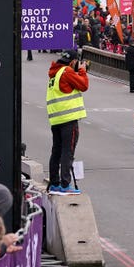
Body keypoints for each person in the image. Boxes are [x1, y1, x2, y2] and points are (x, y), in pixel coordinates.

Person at [46, 50, 89, 195]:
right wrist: (82, 70)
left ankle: (54, 183)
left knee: (56, 151)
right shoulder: (67, 71)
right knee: (68, 152)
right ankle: (65, 184)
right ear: (73, 62)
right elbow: (83, 85)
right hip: (68, 119)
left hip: (56, 119)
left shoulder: (54, 73)